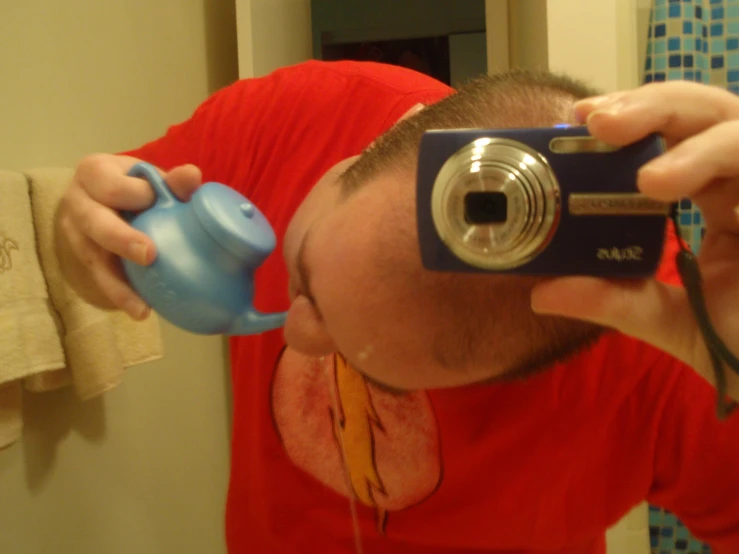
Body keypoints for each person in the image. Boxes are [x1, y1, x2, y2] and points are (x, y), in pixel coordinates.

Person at [54, 60, 739, 554]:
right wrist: (80, 241)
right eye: (302, 276)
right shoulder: (291, 116)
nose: (292, 330)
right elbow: (108, 248)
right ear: (364, 150)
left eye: (378, 372)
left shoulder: (667, 354)